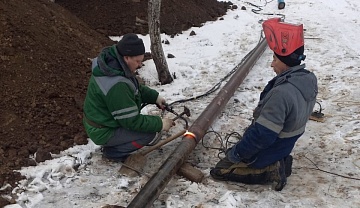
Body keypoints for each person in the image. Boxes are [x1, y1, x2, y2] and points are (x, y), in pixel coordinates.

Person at [210, 18, 318, 191]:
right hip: (285, 144)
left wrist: (236, 154)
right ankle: (279, 160)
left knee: (220, 170)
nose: (271, 63)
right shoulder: (307, 79)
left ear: (284, 61)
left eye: (275, 59)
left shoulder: (282, 93)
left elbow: (263, 135)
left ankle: (271, 169)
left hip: (271, 146)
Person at [83, 33, 175, 162]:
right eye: (137, 61)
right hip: (102, 130)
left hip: (102, 121)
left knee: (147, 127)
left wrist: (155, 97)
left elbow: (134, 88)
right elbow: (131, 121)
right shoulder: (117, 85)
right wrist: (160, 123)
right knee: (149, 134)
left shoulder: (115, 66)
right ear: (126, 58)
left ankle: (116, 143)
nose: (140, 65)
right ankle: (113, 152)